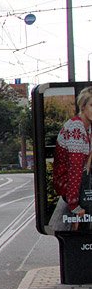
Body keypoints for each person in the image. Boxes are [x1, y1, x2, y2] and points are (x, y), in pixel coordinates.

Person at [52, 86, 92, 230]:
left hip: (77, 188)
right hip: (68, 190)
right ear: (83, 106)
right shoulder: (76, 128)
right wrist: (74, 205)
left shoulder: (87, 127)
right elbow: (75, 170)